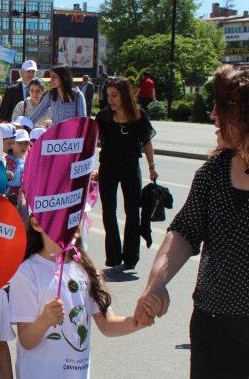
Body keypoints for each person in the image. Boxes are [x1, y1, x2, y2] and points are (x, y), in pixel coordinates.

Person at [133, 65, 249, 377]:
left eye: (221, 108)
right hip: (214, 325)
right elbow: (184, 231)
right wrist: (155, 284)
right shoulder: (213, 173)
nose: (212, 115)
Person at [9, 217, 150, 378]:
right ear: (36, 223)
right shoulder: (27, 272)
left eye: (77, 215)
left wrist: (140, 321)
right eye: (63, 215)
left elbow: (107, 324)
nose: (72, 222)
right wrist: (44, 320)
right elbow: (27, 340)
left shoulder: (87, 270)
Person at [95, 77, 157, 269]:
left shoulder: (140, 116)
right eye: (108, 96)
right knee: (109, 212)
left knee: (132, 212)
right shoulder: (102, 117)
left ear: (126, 96)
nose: (111, 100)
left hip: (131, 167)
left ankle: (131, 256)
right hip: (108, 167)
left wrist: (152, 167)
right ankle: (113, 256)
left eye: (115, 96)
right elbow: (92, 143)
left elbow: (146, 142)